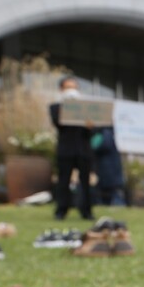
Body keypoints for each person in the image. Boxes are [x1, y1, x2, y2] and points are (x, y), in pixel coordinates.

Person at [49, 76, 94, 220]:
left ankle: (86, 211)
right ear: (61, 89)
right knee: (63, 181)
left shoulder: (88, 109)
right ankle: (61, 211)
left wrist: (90, 126)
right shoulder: (56, 107)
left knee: (85, 182)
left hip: (83, 150)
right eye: (68, 87)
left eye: (74, 88)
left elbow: (92, 132)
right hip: (66, 150)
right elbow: (58, 124)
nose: (71, 91)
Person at [91, 125, 125, 206]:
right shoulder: (105, 133)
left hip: (109, 172)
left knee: (113, 195)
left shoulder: (105, 133)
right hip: (108, 172)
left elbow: (105, 145)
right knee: (105, 195)